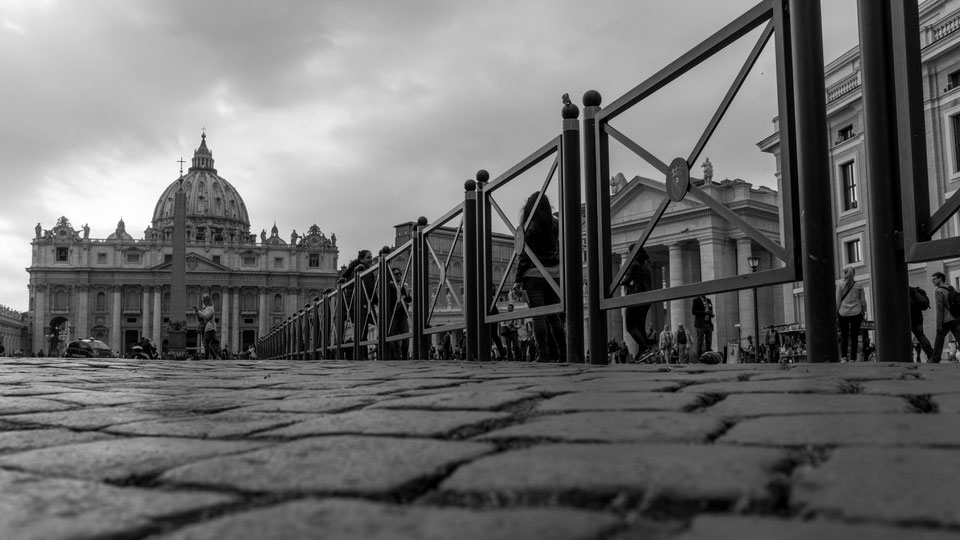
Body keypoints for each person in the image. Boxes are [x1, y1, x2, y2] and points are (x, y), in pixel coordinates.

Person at [512, 192, 565, 362]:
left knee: (538, 316)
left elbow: (524, 256)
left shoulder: (530, 227)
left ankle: (543, 353)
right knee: (554, 316)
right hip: (554, 274)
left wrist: (517, 280)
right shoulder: (556, 224)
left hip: (533, 275)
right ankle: (564, 353)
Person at [623, 246, 653, 361]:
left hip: (635, 298)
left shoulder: (634, 264)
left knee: (630, 327)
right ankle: (643, 353)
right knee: (640, 327)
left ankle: (645, 349)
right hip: (646, 298)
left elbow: (626, 280)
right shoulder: (647, 265)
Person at [837, 266, 867, 362]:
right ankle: (853, 358)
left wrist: (837, 312)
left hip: (843, 313)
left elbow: (838, 302)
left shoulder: (840, 285)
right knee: (854, 337)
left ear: (844, 274)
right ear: (854, 274)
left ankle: (843, 358)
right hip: (856, 313)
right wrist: (864, 311)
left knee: (844, 336)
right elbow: (863, 301)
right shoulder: (859, 285)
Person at [931, 272, 960, 363]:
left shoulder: (938, 291)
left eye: (935, 278)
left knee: (939, 338)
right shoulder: (952, 288)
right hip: (956, 318)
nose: (933, 281)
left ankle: (935, 359)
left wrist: (938, 324)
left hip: (947, 319)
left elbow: (940, 309)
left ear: (940, 278)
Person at [386, 267, 412, 360]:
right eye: (396, 274)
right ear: (391, 275)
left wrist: (404, 297)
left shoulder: (403, 286)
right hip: (392, 313)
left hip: (402, 313)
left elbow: (409, 299)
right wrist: (399, 299)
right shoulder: (387, 286)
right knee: (391, 337)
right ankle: (392, 357)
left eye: (400, 274)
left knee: (406, 336)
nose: (399, 276)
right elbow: (388, 300)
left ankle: (405, 356)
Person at [909, 284, 934, 362]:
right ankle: (931, 355)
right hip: (918, 317)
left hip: (907, 317)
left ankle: (907, 355)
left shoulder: (902, 291)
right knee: (921, 337)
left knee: (903, 337)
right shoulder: (913, 291)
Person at [194, 294, 220, 359]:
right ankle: (214, 356)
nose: (203, 303)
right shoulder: (205, 308)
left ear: (207, 301)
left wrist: (199, 311)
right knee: (205, 343)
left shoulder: (211, 308)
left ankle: (207, 357)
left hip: (209, 328)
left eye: (204, 301)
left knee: (206, 342)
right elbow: (201, 318)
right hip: (205, 328)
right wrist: (197, 312)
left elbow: (206, 316)